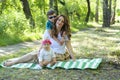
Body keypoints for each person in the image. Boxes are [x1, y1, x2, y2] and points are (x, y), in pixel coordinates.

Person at [4, 14, 75, 66]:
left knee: (36, 56)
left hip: (59, 54)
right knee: (35, 53)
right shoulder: (49, 31)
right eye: (59, 20)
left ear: (64, 24)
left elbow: (69, 47)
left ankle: (13, 62)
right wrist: (39, 50)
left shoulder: (64, 33)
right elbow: (43, 43)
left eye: (62, 22)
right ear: (56, 20)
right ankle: (16, 60)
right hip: (49, 51)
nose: (60, 22)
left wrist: (74, 59)